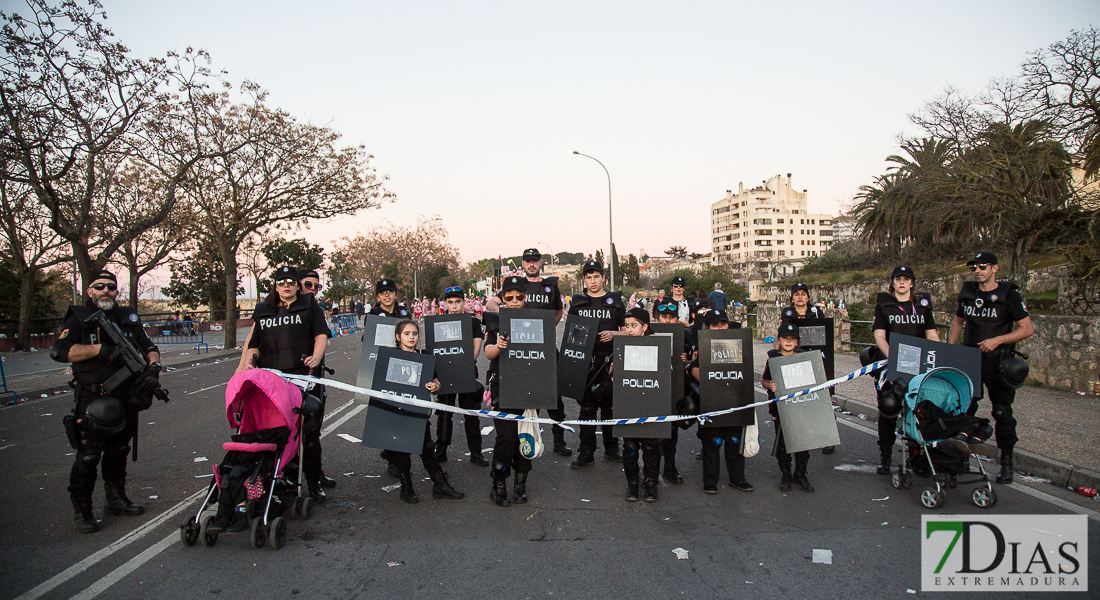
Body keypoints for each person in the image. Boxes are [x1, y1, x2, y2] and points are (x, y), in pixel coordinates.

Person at [50, 270, 163, 533]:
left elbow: (148, 347)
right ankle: (83, 509)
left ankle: (116, 498)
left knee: (119, 450)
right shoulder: (80, 317)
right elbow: (60, 351)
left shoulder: (127, 318)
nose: (105, 291)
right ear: (90, 291)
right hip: (93, 397)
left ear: (117, 292)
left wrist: (153, 369)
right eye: (99, 286)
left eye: (111, 287)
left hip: (124, 396)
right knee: (89, 455)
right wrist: (99, 350)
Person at [237, 266, 332, 503]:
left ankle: (312, 482)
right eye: (281, 282)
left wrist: (316, 358)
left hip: (303, 378)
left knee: (308, 434)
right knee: (274, 433)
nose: (286, 286)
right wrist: (247, 363)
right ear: (275, 286)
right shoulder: (264, 311)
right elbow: (254, 343)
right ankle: (279, 479)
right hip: (272, 381)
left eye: (291, 282)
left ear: (297, 285)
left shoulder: (310, 306)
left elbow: (321, 335)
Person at [948, 252, 1034, 484]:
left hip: (998, 361)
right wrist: (951, 350)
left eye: (982, 266)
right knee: (965, 410)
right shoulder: (968, 292)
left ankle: (1006, 462)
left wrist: (998, 340)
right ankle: (962, 457)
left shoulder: (1009, 295)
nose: (977, 270)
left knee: (1002, 412)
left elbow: (1026, 329)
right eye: (974, 267)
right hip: (970, 359)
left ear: (994, 268)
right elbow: (958, 321)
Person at [485, 249, 571, 457]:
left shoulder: (549, 286)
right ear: (523, 264)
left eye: (535, 261)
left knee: (554, 396)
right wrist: (507, 316)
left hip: (543, 347)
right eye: (528, 261)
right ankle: (528, 437)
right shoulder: (515, 285)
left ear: (540, 263)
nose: (531, 264)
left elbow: (558, 312)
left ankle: (558, 441)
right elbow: (491, 303)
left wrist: (546, 329)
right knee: (527, 396)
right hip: (516, 347)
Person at [380, 319, 465, 503]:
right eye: (406, 334)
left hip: (419, 413)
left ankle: (440, 484)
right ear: (398, 337)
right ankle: (406, 487)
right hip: (397, 412)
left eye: (414, 334)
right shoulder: (390, 356)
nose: (411, 337)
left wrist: (434, 386)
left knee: (427, 447)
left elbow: (436, 381)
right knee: (402, 451)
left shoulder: (424, 355)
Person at [870, 266, 940, 475]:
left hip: (918, 364)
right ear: (892, 283)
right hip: (892, 362)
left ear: (912, 283)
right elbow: (880, 336)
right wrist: (893, 356)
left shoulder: (922, 307)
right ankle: (885, 454)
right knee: (889, 408)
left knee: (919, 409)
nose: (901, 282)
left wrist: (938, 355)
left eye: (905, 279)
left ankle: (917, 454)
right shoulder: (885, 306)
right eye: (897, 279)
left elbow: (932, 335)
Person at [568, 260, 627, 467]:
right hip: (586, 361)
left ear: (603, 277)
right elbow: (570, 333)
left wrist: (614, 334)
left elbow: (629, 330)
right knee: (587, 408)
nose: (593, 281)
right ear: (584, 279)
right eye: (589, 277)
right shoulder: (577, 303)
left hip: (610, 360)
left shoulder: (616, 302)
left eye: (596, 276)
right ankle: (586, 451)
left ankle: (612, 448)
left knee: (610, 406)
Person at [484, 276, 536, 506]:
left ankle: (520, 483)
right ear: (502, 298)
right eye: (509, 297)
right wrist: (498, 346)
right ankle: (499, 483)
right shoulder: (496, 320)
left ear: (525, 298)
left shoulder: (536, 319)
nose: (514, 301)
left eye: (519, 296)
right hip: (502, 385)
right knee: (506, 438)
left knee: (525, 436)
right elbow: (487, 353)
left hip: (529, 387)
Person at [689, 309, 753, 494]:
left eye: (722, 324)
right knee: (712, 442)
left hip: (734, 400)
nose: (719, 328)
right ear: (708, 328)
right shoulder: (704, 346)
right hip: (712, 402)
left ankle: (737, 478)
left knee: (734, 442)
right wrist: (713, 383)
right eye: (715, 325)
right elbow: (695, 371)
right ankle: (710, 482)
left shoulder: (739, 343)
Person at [433, 286, 489, 466]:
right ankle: (441, 451)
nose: (454, 305)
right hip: (445, 373)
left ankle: (476, 452)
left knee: (471, 414)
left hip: (466, 371)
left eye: (458, 302)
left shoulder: (472, 322)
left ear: (464, 302)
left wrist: (461, 364)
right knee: (444, 414)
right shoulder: (440, 322)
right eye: (450, 302)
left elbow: (475, 350)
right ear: (445, 303)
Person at [616, 307, 663, 502]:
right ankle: (632, 484)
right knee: (630, 447)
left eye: (633, 326)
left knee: (651, 449)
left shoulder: (658, 346)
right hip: (629, 407)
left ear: (645, 327)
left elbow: (664, 375)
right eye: (626, 326)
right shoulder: (620, 348)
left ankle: (651, 483)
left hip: (651, 407)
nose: (629, 330)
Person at [762, 323, 813, 492]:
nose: (789, 342)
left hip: (801, 407)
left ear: (797, 342)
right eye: (785, 338)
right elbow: (764, 381)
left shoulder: (805, 358)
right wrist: (771, 386)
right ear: (779, 340)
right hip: (780, 407)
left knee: (802, 442)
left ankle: (800, 474)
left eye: (792, 339)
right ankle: (786, 474)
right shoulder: (773, 359)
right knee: (782, 443)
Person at [653, 298, 692, 484]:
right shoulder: (649, 333)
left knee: (672, 431)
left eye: (671, 317)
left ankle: (670, 466)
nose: (668, 321)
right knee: (653, 432)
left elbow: (695, 363)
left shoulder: (685, 334)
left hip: (676, 386)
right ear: (657, 318)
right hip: (654, 387)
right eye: (664, 317)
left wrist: (687, 361)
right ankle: (651, 468)